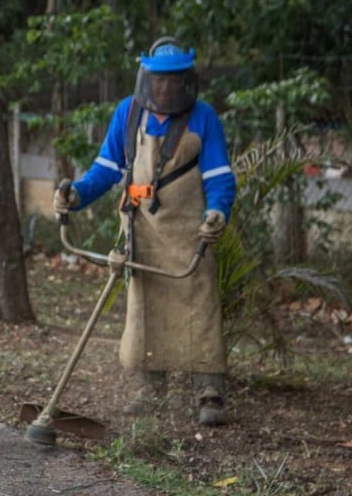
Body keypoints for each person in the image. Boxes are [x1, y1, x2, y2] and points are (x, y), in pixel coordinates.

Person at [53, 37, 236, 426]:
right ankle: (151, 390)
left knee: (200, 306)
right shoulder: (128, 113)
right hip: (142, 231)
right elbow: (105, 171)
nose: (165, 88)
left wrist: (217, 212)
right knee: (145, 307)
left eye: (173, 81)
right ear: (146, 79)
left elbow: (220, 178)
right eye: (158, 81)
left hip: (191, 233)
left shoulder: (204, 118)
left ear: (186, 81)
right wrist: (76, 197)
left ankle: (209, 392)